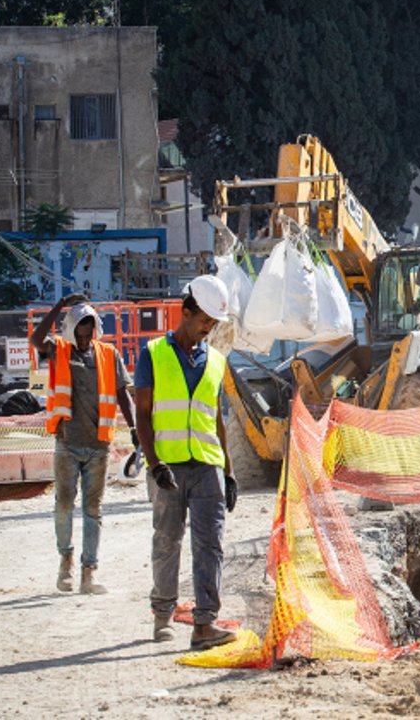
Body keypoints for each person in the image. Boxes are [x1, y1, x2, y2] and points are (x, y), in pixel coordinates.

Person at [135, 275, 238, 651]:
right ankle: (163, 616)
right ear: (186, 312)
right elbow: (142, 415)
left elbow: (216, 419)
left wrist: (228, 471)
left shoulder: (216, 362)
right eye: (204, 322)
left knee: (211, 545)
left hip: (207, 465)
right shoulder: (153, 354)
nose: (208, 330)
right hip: (169, 466)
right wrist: (154, 463)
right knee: (167, 541)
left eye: (213, 324)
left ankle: (204, 624)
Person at [31, 293, 135, 595]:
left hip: (98, 446)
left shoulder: (107, 354)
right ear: (71, 330)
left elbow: (122, 395)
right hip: (67, 443)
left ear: (96, 331)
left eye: (89, 334)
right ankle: (66, 561)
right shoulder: (60, 350)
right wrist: (60, 304)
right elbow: (38, 339)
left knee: (93, 510)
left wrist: (135, 429)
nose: (85, 339)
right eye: (80, 333)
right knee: (64, 505)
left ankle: (90, 571)